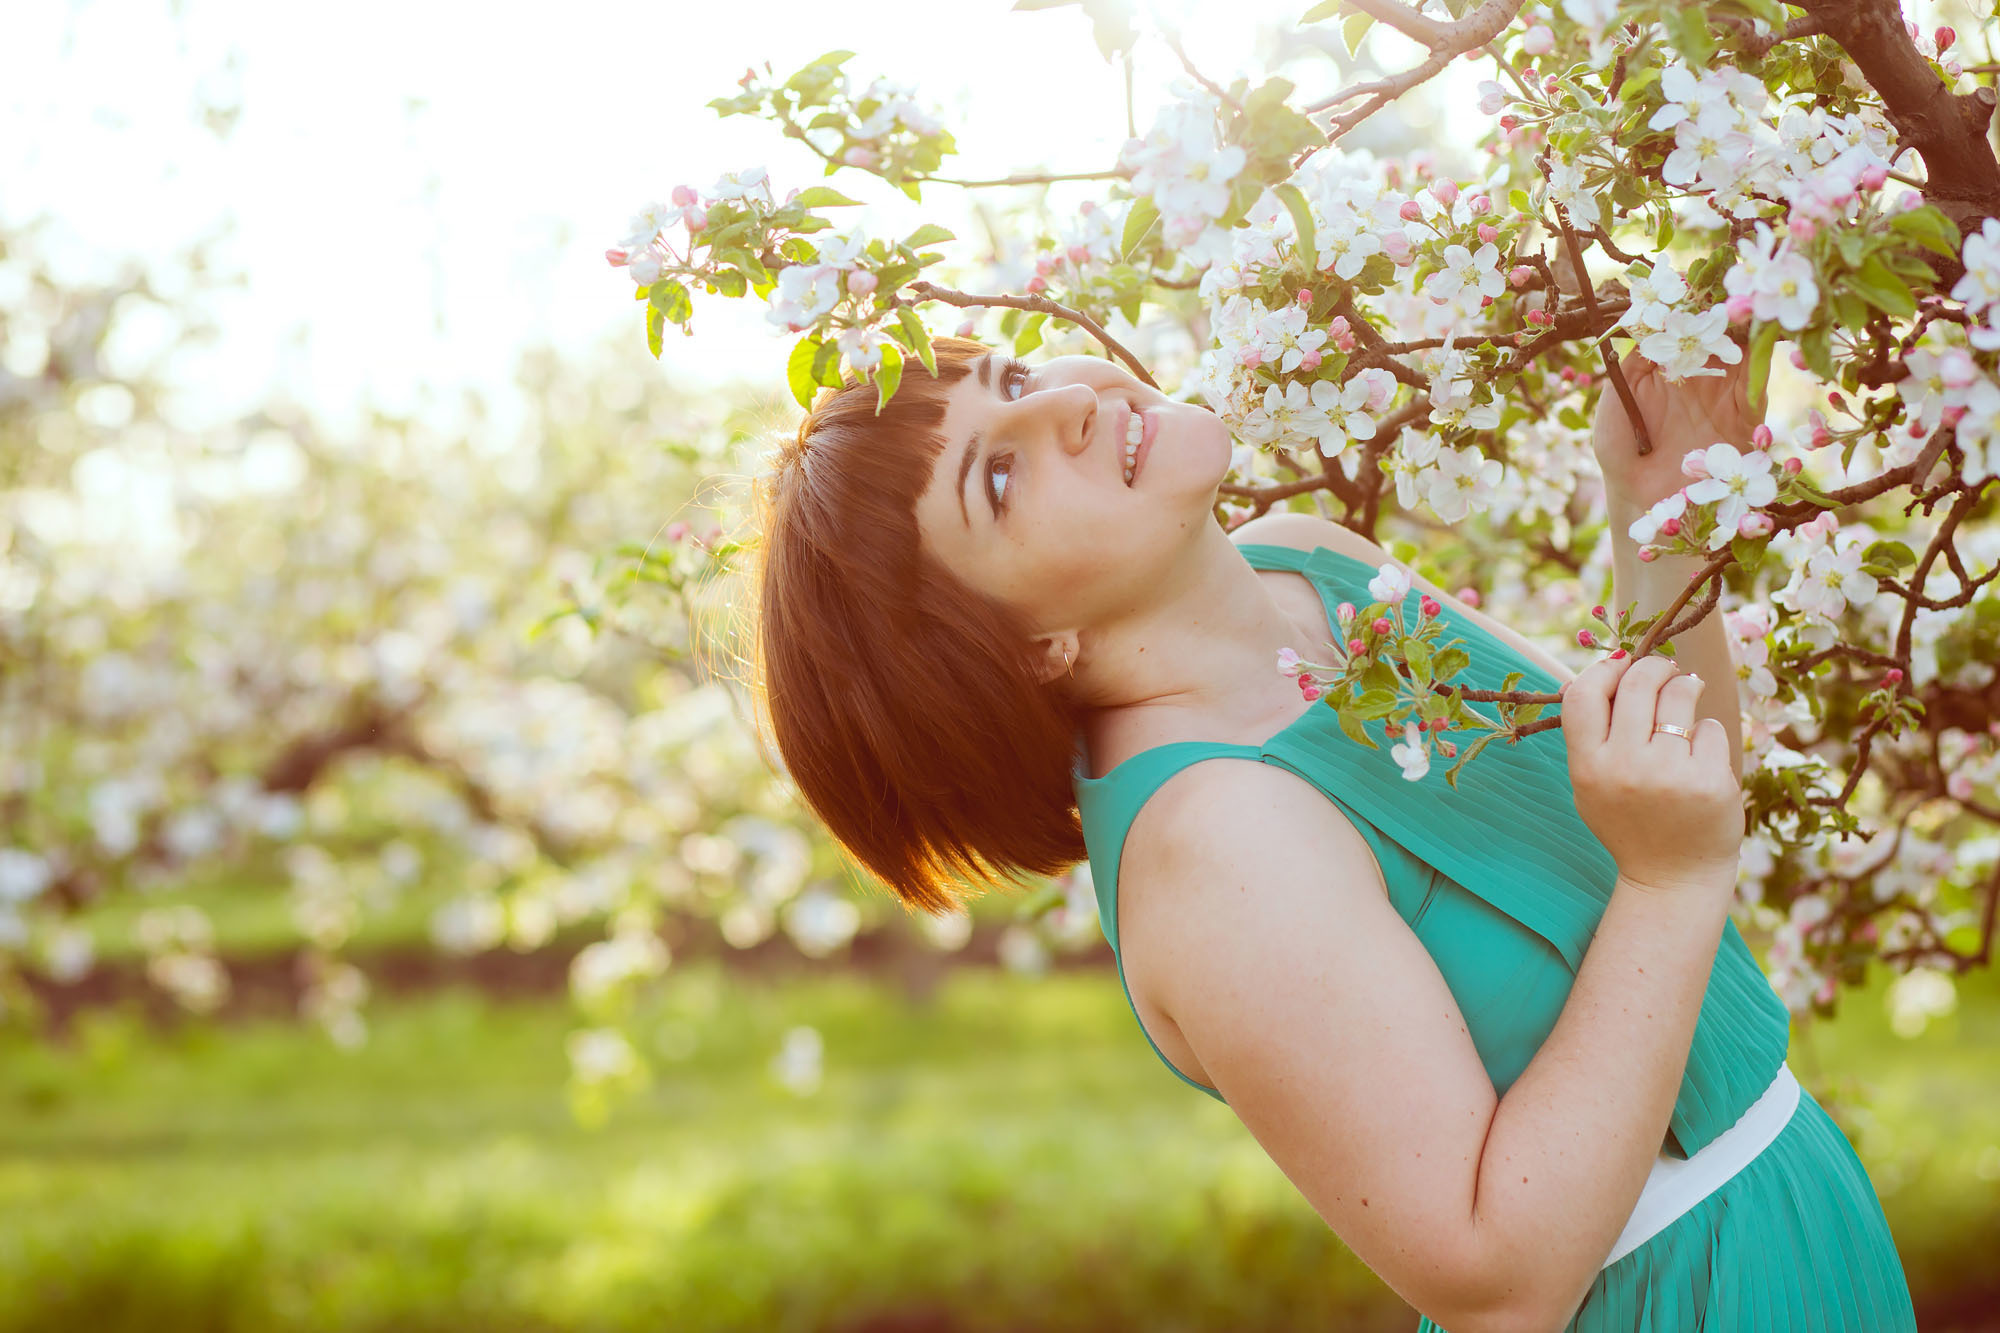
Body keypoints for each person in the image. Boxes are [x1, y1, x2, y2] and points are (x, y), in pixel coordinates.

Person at [749, 335, 1918, 1331]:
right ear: (1019, 652)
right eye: (996, 481)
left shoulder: (1313, 567)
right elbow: (1494, 1277)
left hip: (1793, 1201)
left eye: (1010, 375)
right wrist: (1666, 886)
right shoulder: (1214, 840)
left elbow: (1674, 784)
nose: (1065, 401)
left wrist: (1660, 510)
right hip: (1669, 1294)